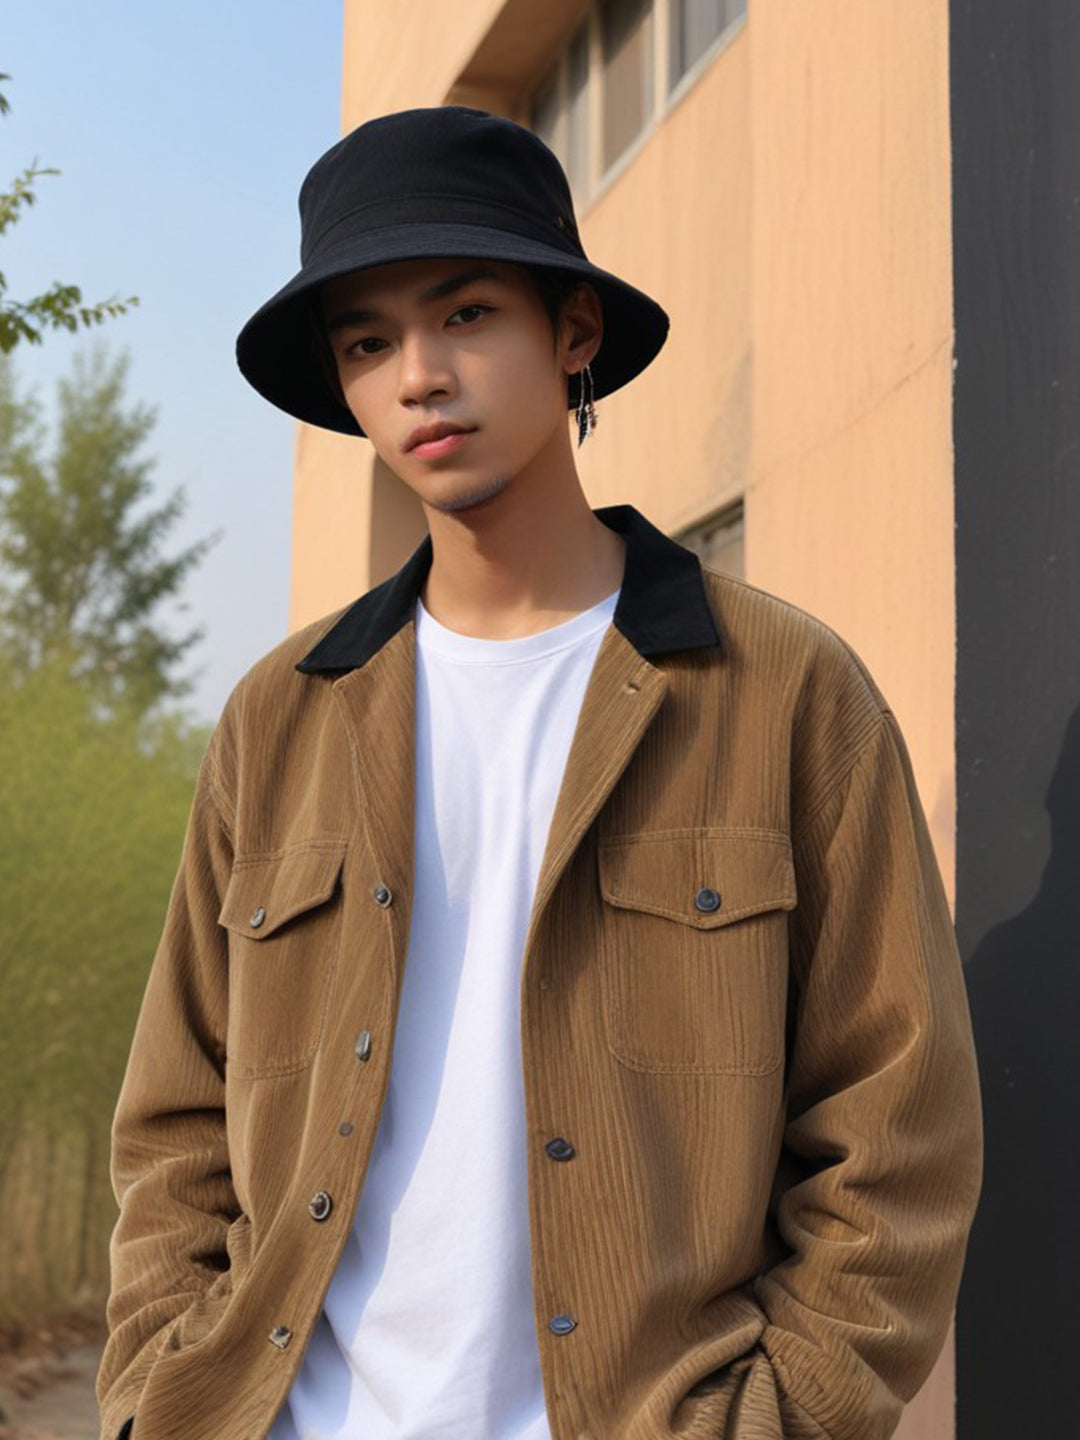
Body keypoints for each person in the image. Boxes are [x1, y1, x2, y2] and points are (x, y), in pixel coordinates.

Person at [95, 106, 982, 1440]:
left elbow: (897, 1126)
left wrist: (779, 1418)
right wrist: (153, 1389)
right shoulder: (280, 720)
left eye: (465, 315)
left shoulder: (783, 691)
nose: (419, 377)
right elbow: (177, 1123)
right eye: (367, 343)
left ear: (573, 331)